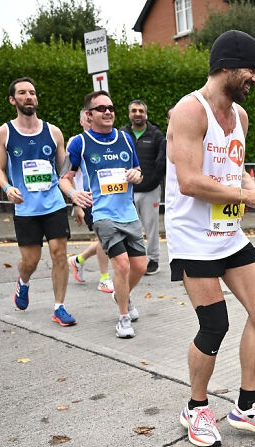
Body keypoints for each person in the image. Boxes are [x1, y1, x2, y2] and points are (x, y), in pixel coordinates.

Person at [166, 29, 255, 447]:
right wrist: (248, 197)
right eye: (251, 69)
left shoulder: (241, 117)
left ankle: (248, 406)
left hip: (228, 233)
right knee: (214, 323)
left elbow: (232, 170)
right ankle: (196, 408)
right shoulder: (189, 110)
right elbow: (189, 181)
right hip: (193, 238)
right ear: (226, 67)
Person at [59, 91, 146, 339]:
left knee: (139, 266)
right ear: (89, 114)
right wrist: (74, 195)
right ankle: (123, 318)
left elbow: (138, 170)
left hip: (128, 212)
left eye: (111, 107)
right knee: (121, 264)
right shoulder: (80, 143)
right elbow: (64, 178)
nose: (108, 112)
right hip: (102, 213)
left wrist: (136, 175)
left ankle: (122, 294)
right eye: (101, 109)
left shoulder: (125, 138)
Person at [0, 77, 76, 326]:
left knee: (59, 253)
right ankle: (23, 281)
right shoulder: (4, 132)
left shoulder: (53, 132)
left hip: (53, 204)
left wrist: (75, 198)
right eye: (22, 93)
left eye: (32, 92)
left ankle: (59, 307)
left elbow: (64, 171)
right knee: (31, 261)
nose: (29, 96)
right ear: (12, 100)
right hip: (25, 206)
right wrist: (7, 188)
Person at [67, 108, 113, 293]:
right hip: (87, 199)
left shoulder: (106, 140)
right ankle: (104, 278)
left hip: (109, 197)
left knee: (111, 237)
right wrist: (76, 204)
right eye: (87, 119)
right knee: (105, 238)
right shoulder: (75, 142)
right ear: (83, 121)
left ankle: (78, 260)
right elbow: (66, 175)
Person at [121, 99, 166, 276]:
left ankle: (153, 259)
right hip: (127, 190)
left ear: (145, 114)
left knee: (151, 226)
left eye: (141, 110)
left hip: (150, 190)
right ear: (129, 113)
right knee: (130, 227)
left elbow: (161, 161)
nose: (137, 114)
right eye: (134, 110)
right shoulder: (122, 133)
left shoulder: (156, 134)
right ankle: (135, 259)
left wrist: (151, 180)